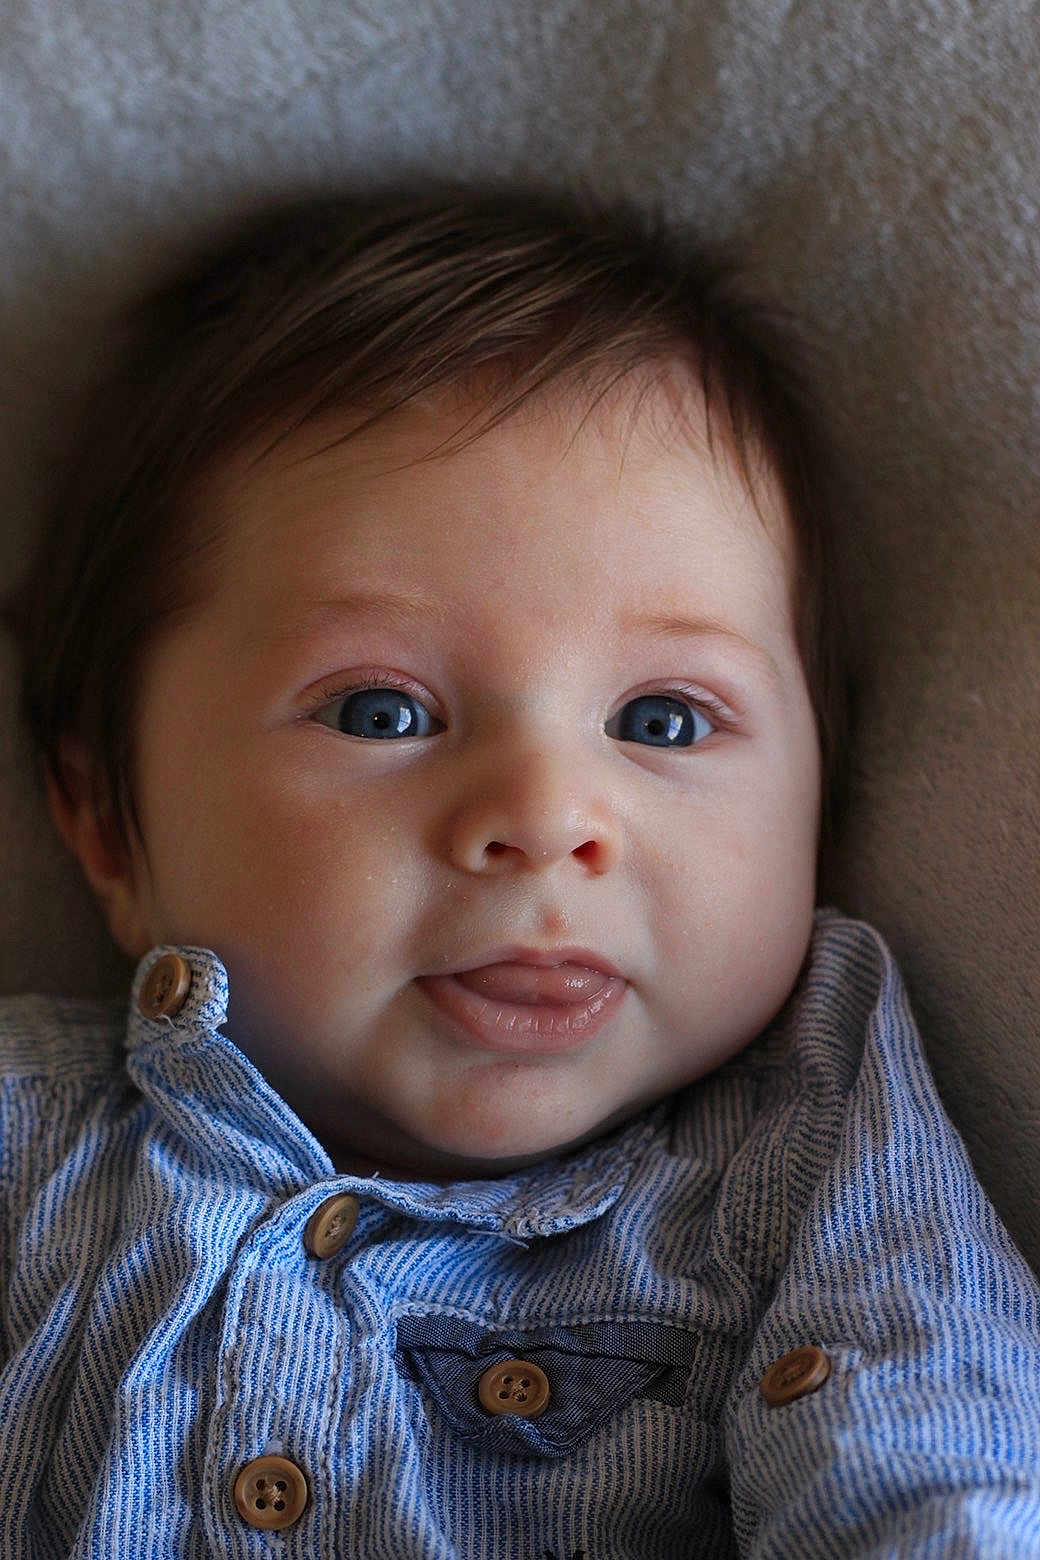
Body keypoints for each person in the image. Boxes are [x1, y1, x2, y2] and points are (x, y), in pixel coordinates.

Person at [1, 188, 1038, 1560]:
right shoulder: (33, 1151)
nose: (548, 819)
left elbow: (937, 1469)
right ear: (105, 825)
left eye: (663, 720)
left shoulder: (801, 1141)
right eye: (383, 713)